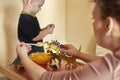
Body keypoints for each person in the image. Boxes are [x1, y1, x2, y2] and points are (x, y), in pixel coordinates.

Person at [16, 0, 120, 80]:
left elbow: (46, 78)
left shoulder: (109, 71)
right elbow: (105, 63)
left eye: (93, 18)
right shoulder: (114, 63)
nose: (92, 23)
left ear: (107, 25)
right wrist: (78, 54)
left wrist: (23, 57)